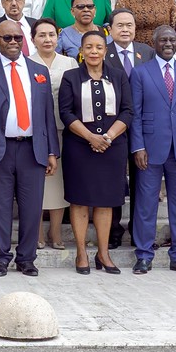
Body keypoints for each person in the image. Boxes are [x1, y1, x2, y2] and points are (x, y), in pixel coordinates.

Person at [0, 19, 58, 276]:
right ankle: (0, 258)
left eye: (17, 38)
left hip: (33, 149)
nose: (12, 42)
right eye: (7, 38)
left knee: (32, 208)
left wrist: (52, 150)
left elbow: (47, 115)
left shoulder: (37, 70)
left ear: (24, 40)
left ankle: (27, 258)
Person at [127, 23, 176, 275]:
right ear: (154, 43)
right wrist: (137, 145)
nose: (169, 44)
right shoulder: (141, 73)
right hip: (149, 150)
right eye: (163, 40)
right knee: (146, 204)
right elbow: (135, 114)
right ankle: (144, 255)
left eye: (172, 40)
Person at [59, 30, 130, 274]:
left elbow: (128, 111)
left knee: (105, 202)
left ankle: (103, 253)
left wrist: (107, 137)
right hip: (80, 146)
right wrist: (91, 137)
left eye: (98, 47)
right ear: (81, 50)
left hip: (112, 147)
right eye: (88, 47)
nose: (94, 52)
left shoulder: (119, 77)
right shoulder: (70, 77)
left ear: (106, 50)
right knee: (79, 201)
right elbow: (66, 112)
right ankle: (81, 253)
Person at [31, 16, 76, 248]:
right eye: (42, 35)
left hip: (64, 129)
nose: (47, 39)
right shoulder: (27, 62)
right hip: (35, 132)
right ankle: (37, 233)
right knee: (37, 183)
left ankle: (56, 233)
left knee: (59, 185)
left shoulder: (69, 63)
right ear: (33, 39)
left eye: (51, 35)